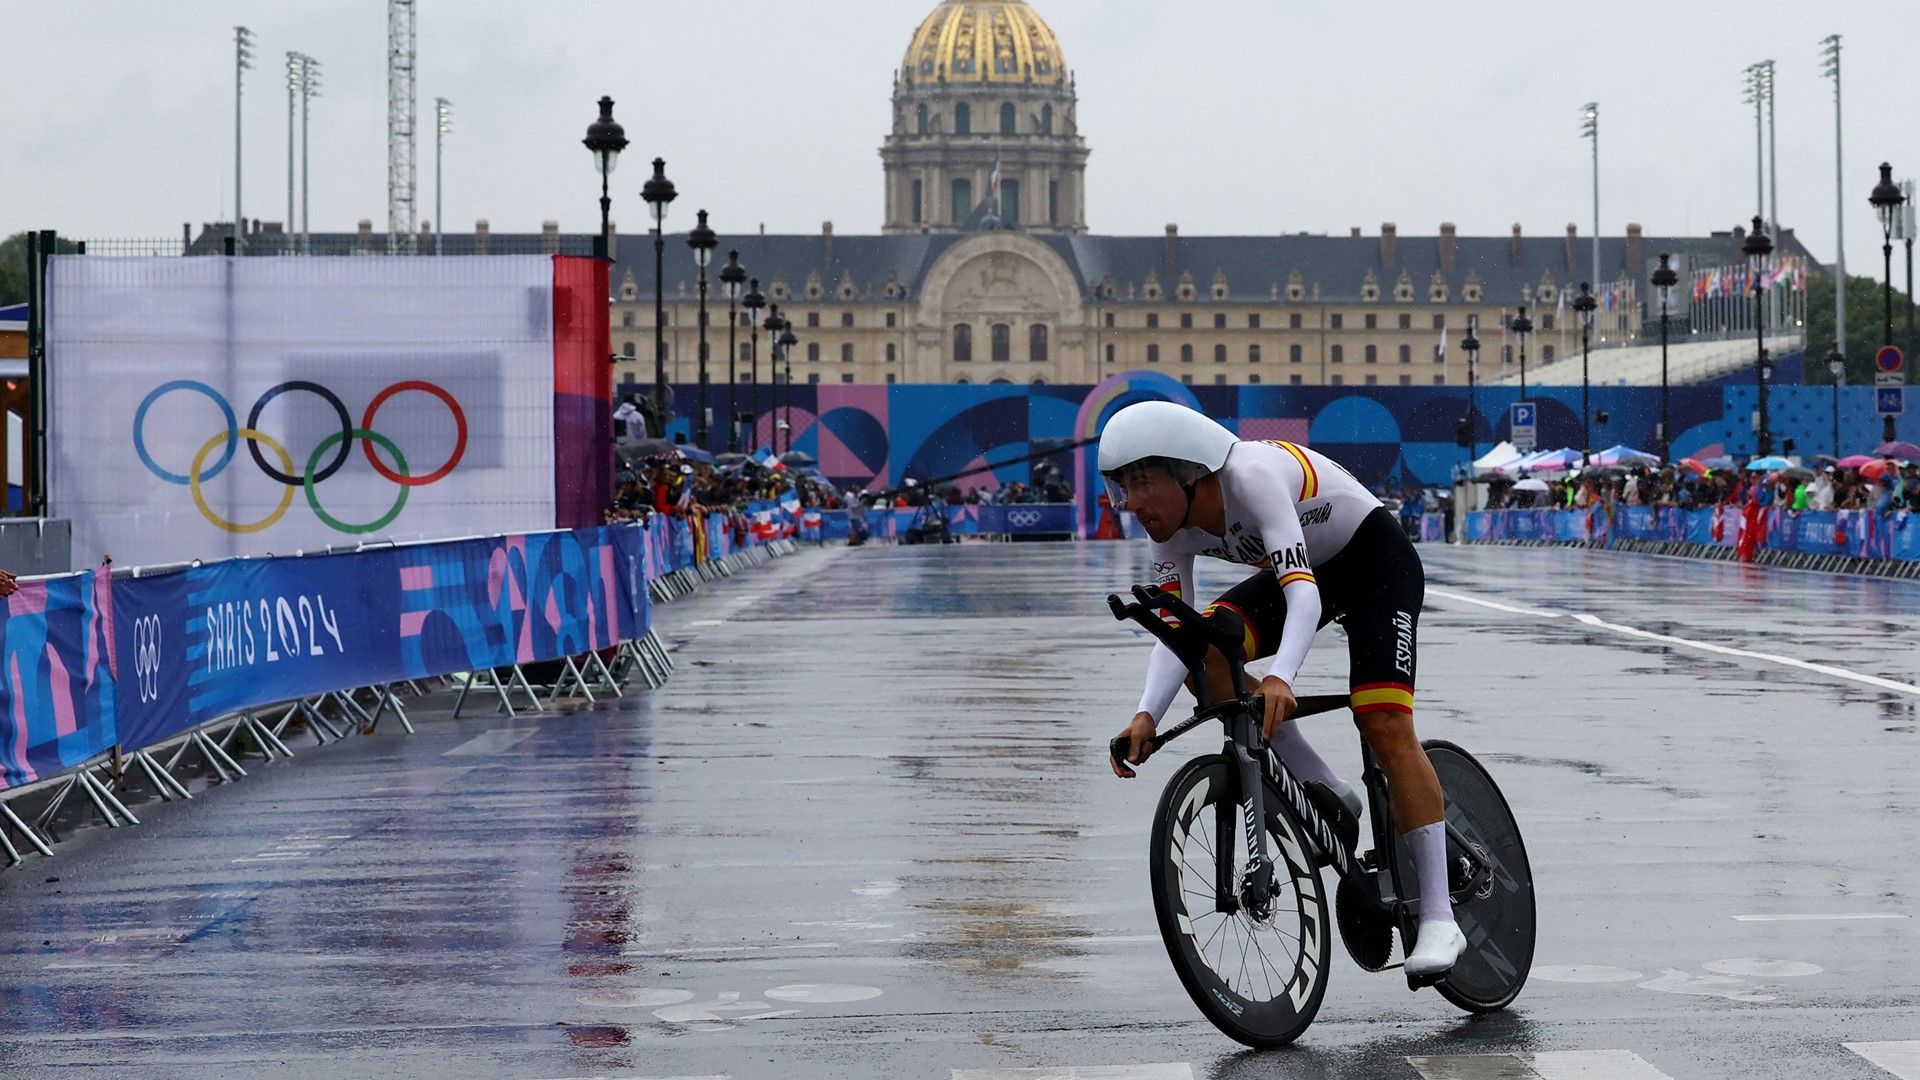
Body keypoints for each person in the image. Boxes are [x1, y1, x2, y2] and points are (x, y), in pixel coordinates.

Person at [1099, 401, 1466, 978]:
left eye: (1143, 483)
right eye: (1123, 488)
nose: (1132, 502)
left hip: (1373, 563)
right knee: (1207, 655)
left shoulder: (1250, 477)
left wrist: (1281, 677)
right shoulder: (1168, 532)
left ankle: (1441, 918)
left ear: (1189, 471)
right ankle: (1326, 789)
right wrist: (1146, 713)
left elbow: (1304, 594)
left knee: (1383, 720)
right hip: (1311, 570)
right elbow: (1176, 633)